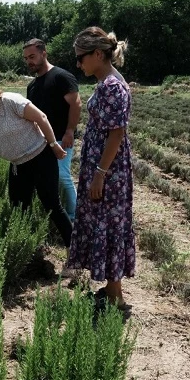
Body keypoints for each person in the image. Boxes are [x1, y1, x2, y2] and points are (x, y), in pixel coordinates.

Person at [65, 27, 135, 310]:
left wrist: (100, 175)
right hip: (104, 168)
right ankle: (110, 289)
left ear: (97, 54)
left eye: (81, 57)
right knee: (106, 225)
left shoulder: (111, 87)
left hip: (109, 172)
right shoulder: (108, 82)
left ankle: (115, 297)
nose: (78, 64)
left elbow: (116, 135)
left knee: (109, 226)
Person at [0, 73, 72, 246]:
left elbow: (41, 117)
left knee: (52, 205)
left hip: (40, 157)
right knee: (18, 211)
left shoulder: (10, 101)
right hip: (17, 166)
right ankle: (27, 248)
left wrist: (53, 144)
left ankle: (73, 252)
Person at [23, 38, 82, 222]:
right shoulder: (32, 86)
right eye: (26, 58)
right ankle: (53, 215)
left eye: (32, 56)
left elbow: (76, 104)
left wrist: (70, 131)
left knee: (63, 176)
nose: (29, 61)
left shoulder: (61, 77)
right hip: (40, 142)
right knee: (43, 179)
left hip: (61, 138)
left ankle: (73, 217)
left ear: (44, 53)